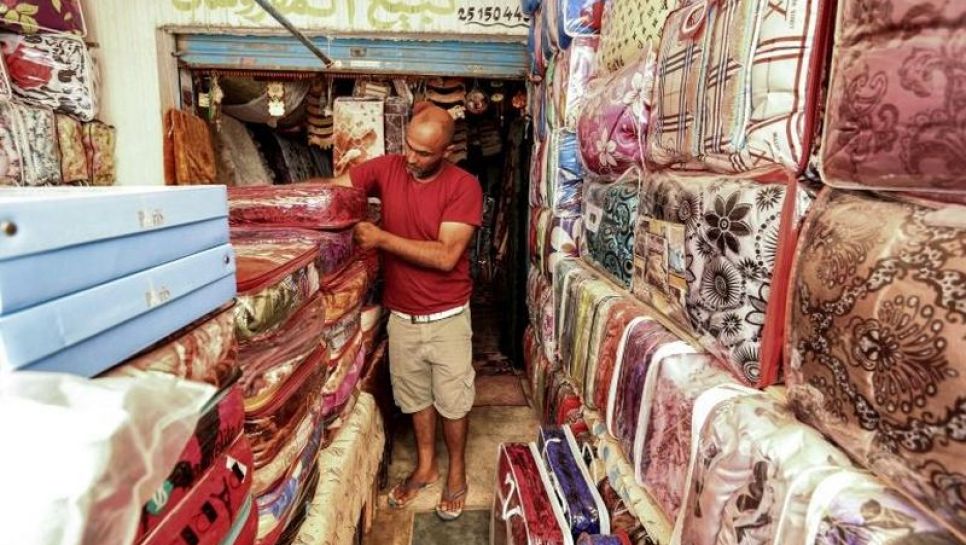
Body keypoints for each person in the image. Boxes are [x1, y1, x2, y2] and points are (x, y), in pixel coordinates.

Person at [322, 102, 482, 521]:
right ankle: (427, 467)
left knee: (453, 401)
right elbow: (337, 188)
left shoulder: (464, 187)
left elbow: (447, 255)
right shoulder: (390, 167)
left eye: (424, 153)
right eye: (408, 147)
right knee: (415, 398)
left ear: (446, 151)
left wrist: (380, 238)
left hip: (447, 316)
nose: (411, 158)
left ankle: (457, 473)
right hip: (403, 316)